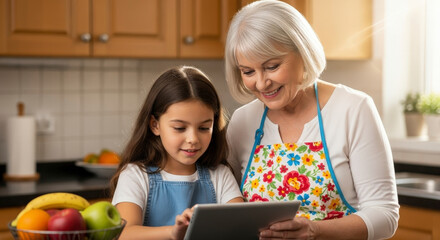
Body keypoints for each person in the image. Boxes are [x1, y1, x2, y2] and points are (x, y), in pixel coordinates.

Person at [224, 1, 399, 239]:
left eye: (272, 66)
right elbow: (225, 202)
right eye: (248, 72)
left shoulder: (353, 108)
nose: (262, 83)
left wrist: (315, 231)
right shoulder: (243, 121)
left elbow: (384, 214)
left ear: (302, 51)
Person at [110, 66, 243, 240]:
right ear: (155, 125)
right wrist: (173, 232)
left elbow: (241, 226)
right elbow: (124, 234)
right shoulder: (135, 176)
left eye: (204, 128)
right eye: (180, 128)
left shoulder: (220, 175)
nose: (193, 139)